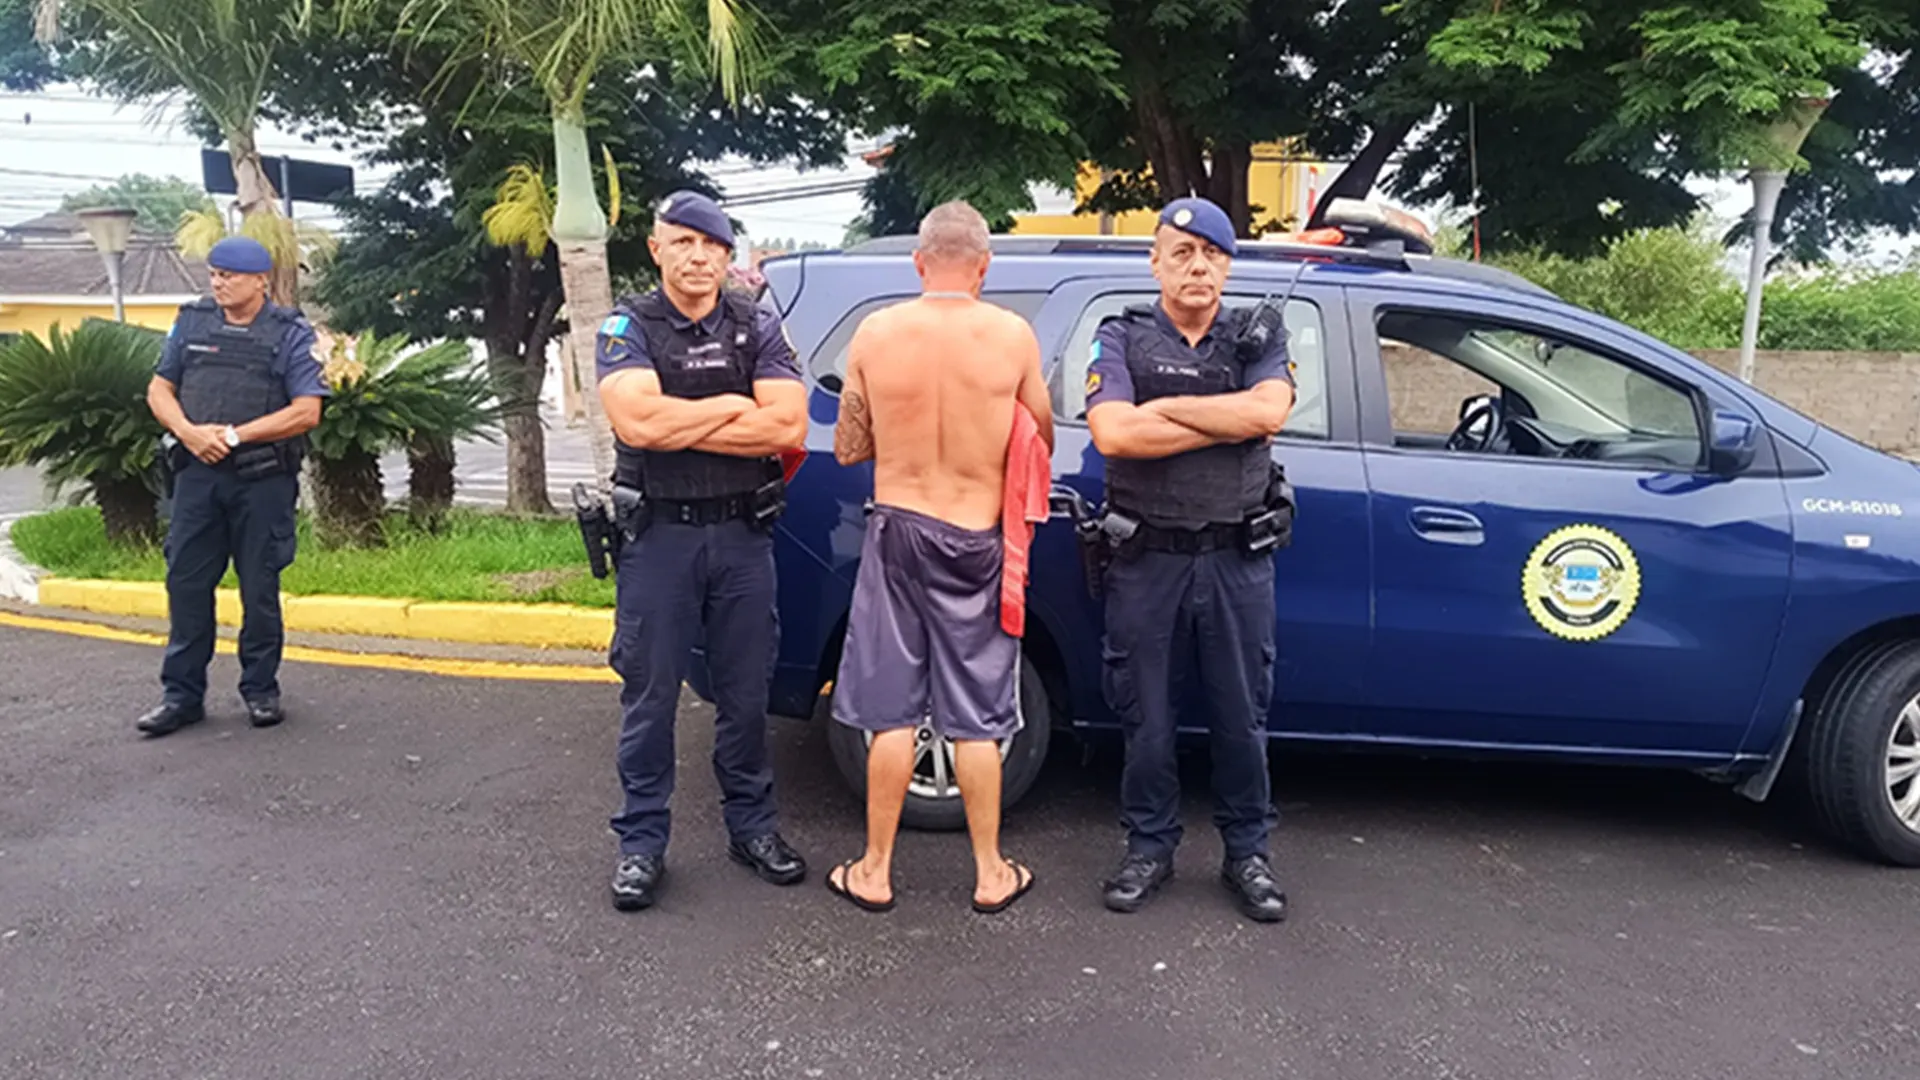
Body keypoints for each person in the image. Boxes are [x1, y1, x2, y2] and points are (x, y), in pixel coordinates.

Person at [824, 200, 1055, 915]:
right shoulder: (1011, 335)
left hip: (897, 528)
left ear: (919, 262)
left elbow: (848, 447)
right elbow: (1040, 432)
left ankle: (874, 871)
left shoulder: (876, 331)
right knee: (979, 713)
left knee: (891, 711)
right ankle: (990, 873)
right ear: (984, 266)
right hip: (975, 537)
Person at [594, 191, 810, 912]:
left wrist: (681, 419)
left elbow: (787, 426)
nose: (696, 257)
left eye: (709, 244)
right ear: (656, 250)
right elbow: (637, 422)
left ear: (725, 254)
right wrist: (733, 406)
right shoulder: (630, 325)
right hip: (660, 538)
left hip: (743, 537)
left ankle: (753, 829)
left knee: (746, 695)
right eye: (680, 242)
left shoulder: (756, 323)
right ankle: (641, 844)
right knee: (650, 697)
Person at [1083, 196, 1296, 923]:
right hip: (1148, 561)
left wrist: (1164, 410)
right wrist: (1224, 419)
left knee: (1242, 718)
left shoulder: (1257, 333)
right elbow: (1114, 434)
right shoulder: (1121, 335)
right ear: (1156, 263)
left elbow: (1267, 412)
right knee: (1146, 720)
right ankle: (1149, 847)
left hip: (1237, 560)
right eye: (1182, 253)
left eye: (1211, 254)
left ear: (1227, 266)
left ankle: (1248, 854)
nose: (1198, 266)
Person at [135, 236, 329, 738]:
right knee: (186, 584)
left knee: (259, 587)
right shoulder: (192, 322)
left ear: (260, 281)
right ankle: (181, 697)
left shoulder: (290, 332)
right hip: (197, 477)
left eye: (229, 275)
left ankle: (260, 690)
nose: (218, 283)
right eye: (215, 274)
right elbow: (160, 388)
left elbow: (306, 410)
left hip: (261, 480)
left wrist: (234, 436)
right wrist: (189, 432)